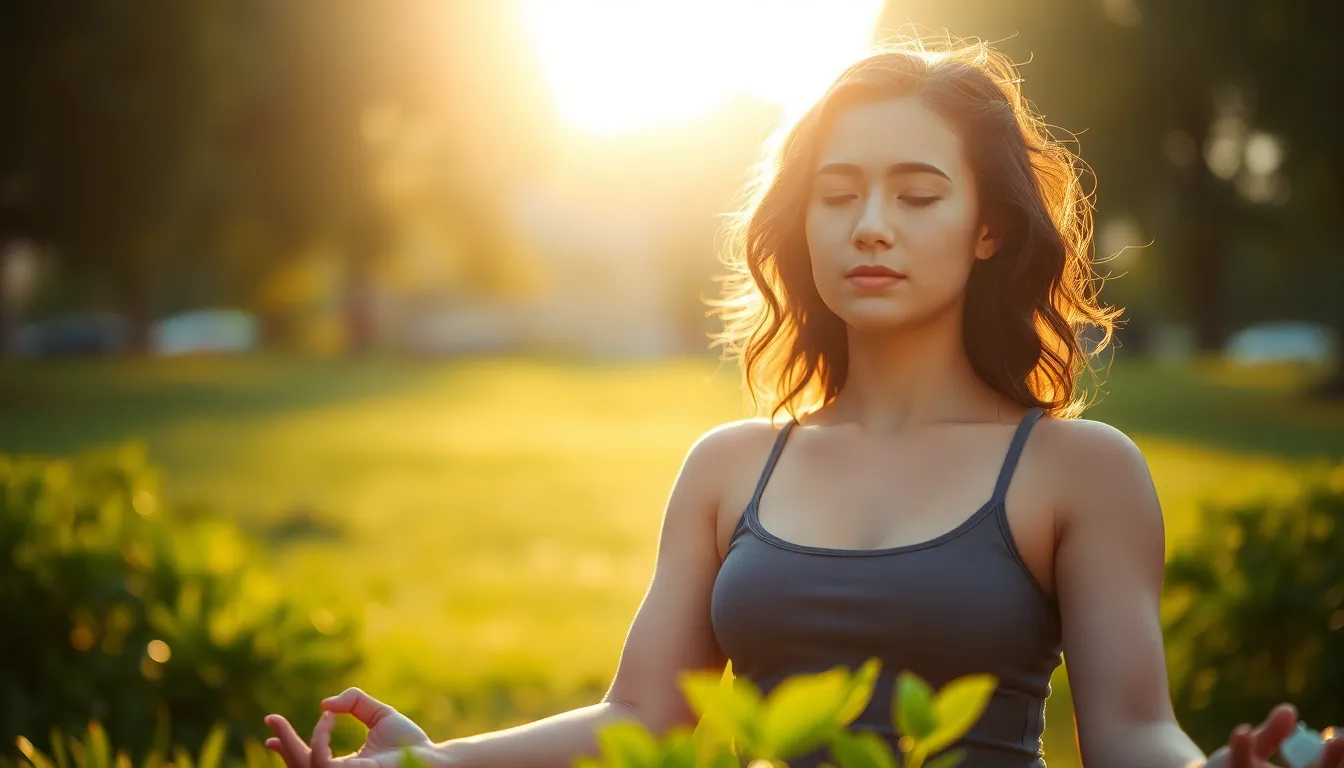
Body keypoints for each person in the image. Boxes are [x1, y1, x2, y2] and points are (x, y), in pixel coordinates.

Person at [262, 40, 1344, 768]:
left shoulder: (1081, 474)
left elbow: (1134, 734)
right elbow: (644, 717)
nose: (871, 224)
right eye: (838, 195)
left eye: (917, 195)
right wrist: (434, 759)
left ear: (988, 229)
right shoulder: (731, 469)